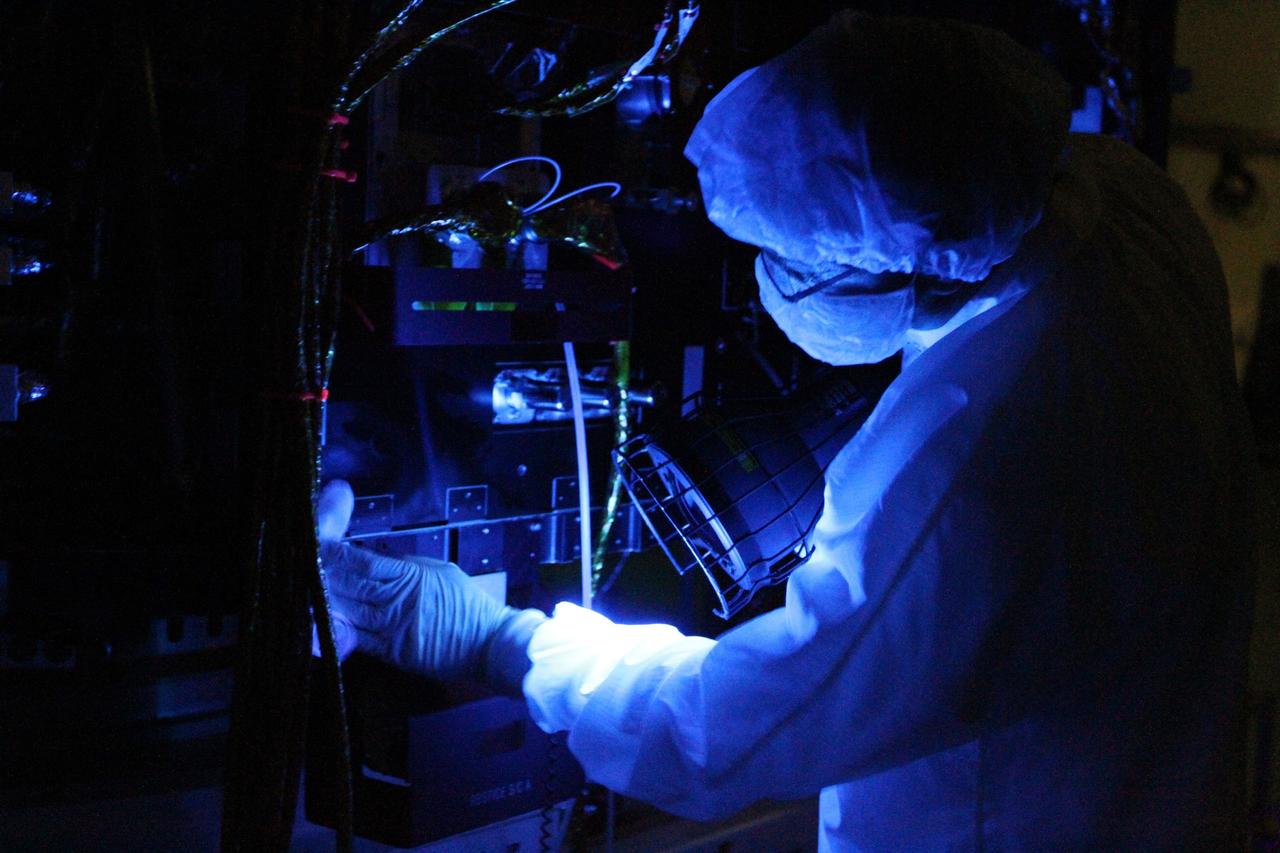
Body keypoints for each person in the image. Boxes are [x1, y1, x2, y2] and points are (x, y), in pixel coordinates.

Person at [318, 12, 1258, 850]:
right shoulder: (1130, 205)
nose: (775, 288)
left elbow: (730, 730)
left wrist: (499, 638)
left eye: (789, 261)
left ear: (908, 246)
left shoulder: (977, 453)